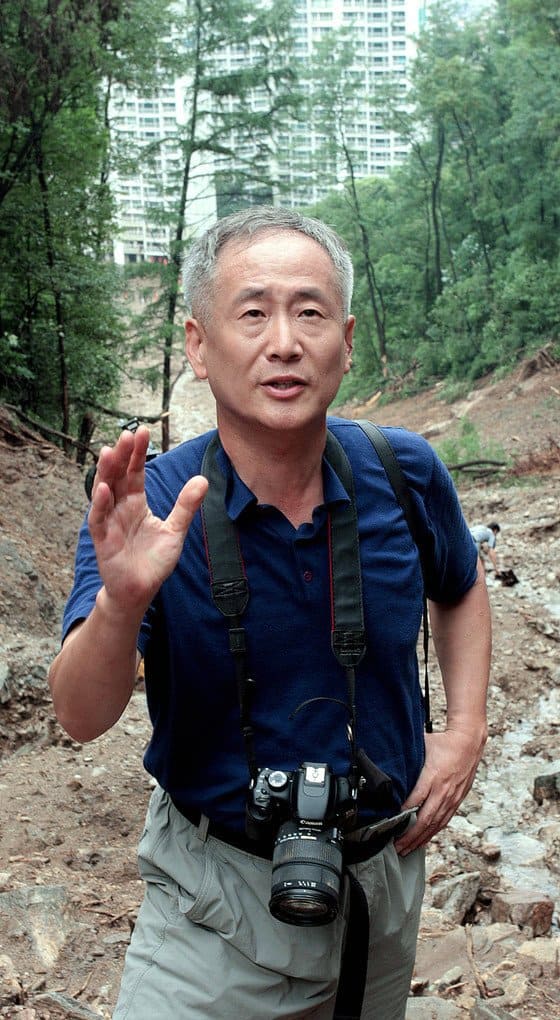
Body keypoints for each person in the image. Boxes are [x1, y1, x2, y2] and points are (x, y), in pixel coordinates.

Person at [48, 206, 491, 1020]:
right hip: (211, 898)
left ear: (346, 342)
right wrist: (122, 601)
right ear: (198, 345)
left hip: (381, 886)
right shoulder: (150, 502)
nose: (284, 342)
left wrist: (465, 730)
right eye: (252, 313)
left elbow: (460, 586)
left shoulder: (405, 472)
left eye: (310, 312)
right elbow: (79, 715)